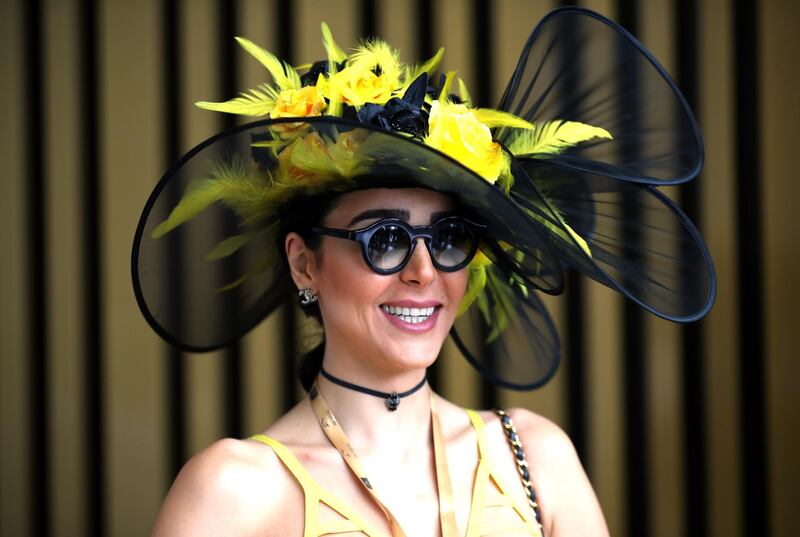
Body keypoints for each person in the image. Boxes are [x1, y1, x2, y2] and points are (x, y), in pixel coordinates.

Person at [133, 7, 715, 537]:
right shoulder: (234, 491)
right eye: (383, 239)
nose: (423, 270)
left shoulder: (535, 459)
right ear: (303, 262)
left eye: (449, 238)